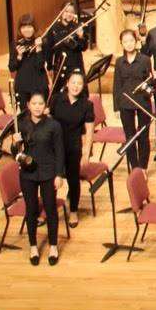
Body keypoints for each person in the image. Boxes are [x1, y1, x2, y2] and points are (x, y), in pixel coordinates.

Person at [14, 91, 64, 267]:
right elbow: (16, 154)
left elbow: (59, 152)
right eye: (34, 103)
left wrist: (59, 174)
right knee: (31, 210)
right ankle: (33, 246)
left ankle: (53, 246)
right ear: (28, 105)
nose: (37, 107)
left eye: (40, 104)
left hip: (48, 172)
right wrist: (14, 143)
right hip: (28, 173)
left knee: (50, 209)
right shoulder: (21, 124)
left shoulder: (54, 125)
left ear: (45, 106)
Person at [50, 69, 95, 228]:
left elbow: (89, 131)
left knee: (73, 179)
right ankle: (49, 210)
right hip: (54, 146)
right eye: (73, 82)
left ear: (83, 86)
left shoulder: (87, 105)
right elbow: (49, 120)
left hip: (73, 146)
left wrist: (86, 153)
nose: (76, 86)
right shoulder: (56, 99)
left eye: (79, 83)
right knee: (50, 179)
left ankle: (74, 211)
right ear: (67, 83)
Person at [112, 28, 154, 170]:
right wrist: (116, 107)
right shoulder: (119, 62)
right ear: (121, 44)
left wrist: (152, 81)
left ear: (136, 42)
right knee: (130, 137)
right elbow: (117, 85)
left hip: (143, 102)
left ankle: (143, 168)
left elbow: (150, 83)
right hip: (125, 103)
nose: (129, 44)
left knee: (143, 136)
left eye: (131, 40)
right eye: (125, 41)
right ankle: (135, 167)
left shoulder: (145, 60)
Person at [43, 3, 88, 85]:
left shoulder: (77, 26)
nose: (69, 14)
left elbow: (84, 47)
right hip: (60, 64)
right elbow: (49, 49)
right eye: (66, 11)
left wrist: (81, 36)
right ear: (61, 12)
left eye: (72, 12)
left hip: (75, 63)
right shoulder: (53, 28)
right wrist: (49, 67)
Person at [8, 14, 49, 104]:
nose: (26, 30)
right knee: (24, 112)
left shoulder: (42, 42)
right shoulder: (15, 44)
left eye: (29, 26)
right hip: (22, 85)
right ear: (20, 29)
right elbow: (11, 67)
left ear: (34, 28)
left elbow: (40, 66)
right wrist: (19, 56)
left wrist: (39, 49)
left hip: (38, 85)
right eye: (23, 27)